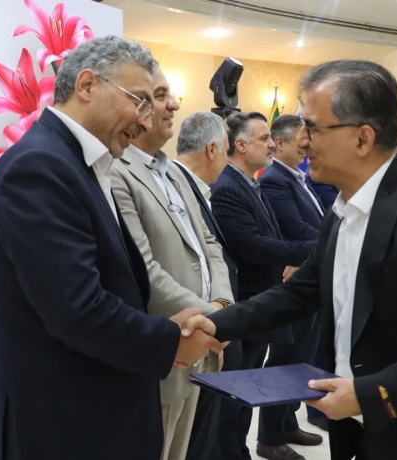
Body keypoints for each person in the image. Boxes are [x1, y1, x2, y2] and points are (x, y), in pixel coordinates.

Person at [184, 60, 397, 460]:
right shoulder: (344, 210)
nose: (300, 141)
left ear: (362, 138)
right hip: (360, 430)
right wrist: (216, 323)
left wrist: (372, 395)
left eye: (312, 128)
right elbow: (299, 293)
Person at [0, 37, 221, 460]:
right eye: (139, 101)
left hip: (90, 416)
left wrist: (163, 323)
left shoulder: (79, 163)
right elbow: (78, 309)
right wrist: (169, 340)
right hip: (61, 425)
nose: (145, 120)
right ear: (87, 85)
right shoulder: (40, 167)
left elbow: (109, 284)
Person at [110, 71, 233, 460]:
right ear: (138, 107)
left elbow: (209, 244)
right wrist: (212, 320)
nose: (175, 105)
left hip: (199, 338)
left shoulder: (175, 173)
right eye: (161, 95)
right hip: (168, 340)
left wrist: (222, 308)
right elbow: (143, 269)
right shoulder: (117, 172)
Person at [210, 111, 315, 460]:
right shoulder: (227, 187)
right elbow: (252, 246)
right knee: (233, 400)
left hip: (259, 305)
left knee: (245, 397)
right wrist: (311, 251)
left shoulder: (249, 182)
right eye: (263, 138)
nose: (272, 144)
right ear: (240, 145)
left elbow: (272, 236)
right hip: (244, 304)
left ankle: (239, 451)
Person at [172, 111, 244, 460]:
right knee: (188, 440)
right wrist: (212, 318)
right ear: (213, 149)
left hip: (209, 322)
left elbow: (213, 252)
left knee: (204, 433)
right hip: (185, 333)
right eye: (228, 150)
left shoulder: (197, 188)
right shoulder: (171, 185)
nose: (228, 161)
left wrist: (222, 309)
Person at [259, 114, 327, 437]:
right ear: (280, 143)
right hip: (293, 281)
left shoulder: (297, 177)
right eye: (301, 138)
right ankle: (271, 435)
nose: (307, 145)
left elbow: (319, 222)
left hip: (308, 274)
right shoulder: (274, 179)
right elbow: (294, 229)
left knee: (301, 357)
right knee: (286, 358)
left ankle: (287, 423)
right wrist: (332, 242)